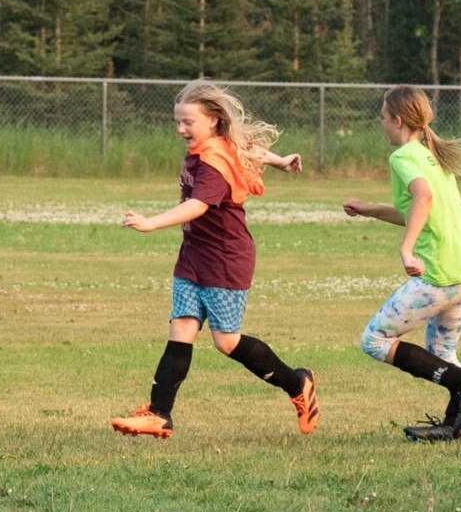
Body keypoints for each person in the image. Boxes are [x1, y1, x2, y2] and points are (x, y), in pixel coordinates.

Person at [110, 79, 319, 438]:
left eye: (188, 122)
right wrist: (281, 161)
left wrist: (151, 223)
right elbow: (247, 149)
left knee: (226, 342)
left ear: (212, 121)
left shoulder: (214, 162)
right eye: (178, 121)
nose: (181, 129)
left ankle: (298, 384)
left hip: (225, 259)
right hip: (193, 257)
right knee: (182, 329)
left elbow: (198, 205)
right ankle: (160, 413)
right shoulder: (217, 146)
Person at [343, 85, 461, 441]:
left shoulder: (403, 156)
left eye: (382, 118)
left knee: (374, 339)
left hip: (440, 272)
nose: (381, 124)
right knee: (442, 353)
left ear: (396, 120)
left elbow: (422, 197)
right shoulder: (429, 154)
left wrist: (407, 250)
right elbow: (418, 210)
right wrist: (369, 209)